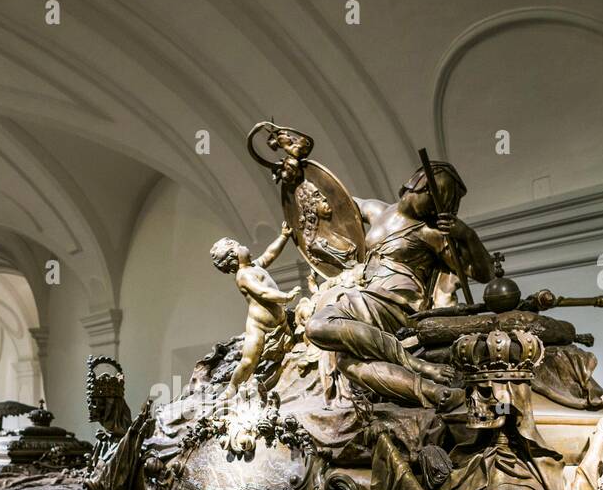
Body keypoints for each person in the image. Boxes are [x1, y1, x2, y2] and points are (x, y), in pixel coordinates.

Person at [305, 159, 494, 408]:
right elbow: (340, 201)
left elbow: (484, 273)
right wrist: (297, 172)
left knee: (318, 327)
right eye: (433, 197)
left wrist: (467, 235)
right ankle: (433, 391)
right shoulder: (379, 211)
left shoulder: (430, 233)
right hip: (365, 298)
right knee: (345, 362)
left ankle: (414, 363)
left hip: (394, 306)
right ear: (418, 183)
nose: (435, 209)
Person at [209, 221, 297, 398]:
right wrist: (285, 297)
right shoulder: (243, 276)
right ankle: (231, 388)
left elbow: (270, 254)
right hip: (259, 327)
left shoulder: (254, 266)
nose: (243, 246)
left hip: (279, 322)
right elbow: (263, 293)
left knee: (291, 348)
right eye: (237, 246)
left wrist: (283, 236)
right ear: (234, 257)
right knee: (249, 361)